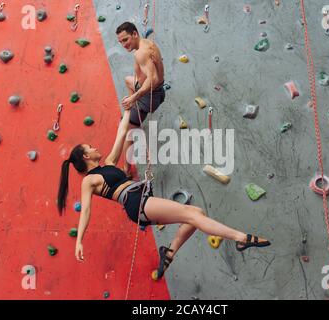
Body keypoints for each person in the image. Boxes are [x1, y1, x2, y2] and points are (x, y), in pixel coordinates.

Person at [57, 110, 271, 279]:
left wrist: (130, 103)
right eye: (91, 147)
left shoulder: (110, 163)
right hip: (135, 203)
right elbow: (85, 210)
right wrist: (79, 240)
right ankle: (240, 238)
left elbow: (123, 131)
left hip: (140, 198)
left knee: (196, 212)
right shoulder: (89, 181)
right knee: (193, 216)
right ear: (86, 156)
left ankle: (168, 254)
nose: (95, 148)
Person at [116, 21, 165, 177]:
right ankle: (133, 112)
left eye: (125, 40)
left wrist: (134, 97)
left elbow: (154, 79)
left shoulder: (140, 53)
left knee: (126, 132)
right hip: (154, 91)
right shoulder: (146, 43)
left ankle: (126, 169)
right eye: (120, 41)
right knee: (128, 79)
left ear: (135, 34)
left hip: (149, 97)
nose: (123, 44)